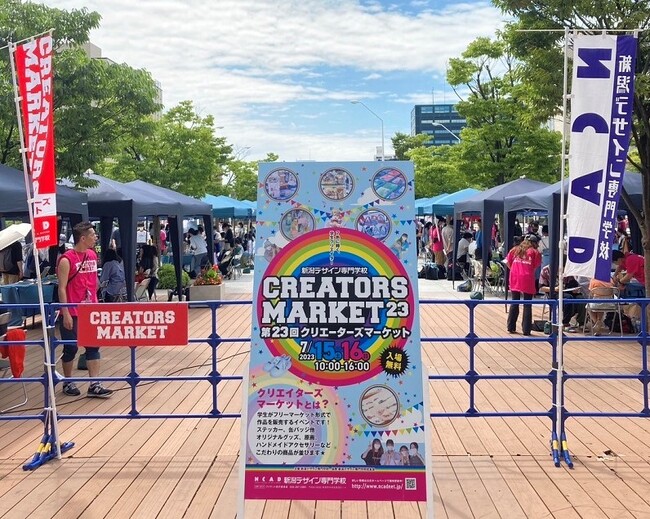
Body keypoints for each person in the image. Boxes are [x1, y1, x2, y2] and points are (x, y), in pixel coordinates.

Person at [57, 222, 112, 398]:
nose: (95, 237)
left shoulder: (92, 255)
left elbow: (94, 280)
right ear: (83, 238)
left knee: (93, 346)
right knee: (71, 348)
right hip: (72, 310)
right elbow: (61, 288)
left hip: (90, 310)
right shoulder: (66, 259)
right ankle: (68, 381)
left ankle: (94, 384)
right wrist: (65, 312)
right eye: (92, 235)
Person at [505, 235, 542, 335]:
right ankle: (526, 330)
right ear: (534, 243)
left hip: (514, 276)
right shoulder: (535, 252)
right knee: (527, 304)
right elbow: (535, 266)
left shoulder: (515, 249)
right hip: (527, 277)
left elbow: (507, 261)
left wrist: (514, 269)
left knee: (514, 301)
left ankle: (510, 327)